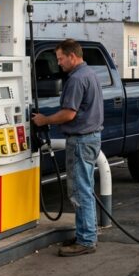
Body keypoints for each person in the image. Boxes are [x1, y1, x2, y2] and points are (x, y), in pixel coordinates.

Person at [33, 39, 104, 257]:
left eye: (61, 58)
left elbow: (69, 113)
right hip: (91, 138)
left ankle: (86, 240)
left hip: (81, 141)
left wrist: (44, 120)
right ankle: (86, 233)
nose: (59, 63)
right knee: (86, 188)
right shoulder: (90, 74)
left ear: (72, 56)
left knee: (79, 190)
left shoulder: (76, 79)